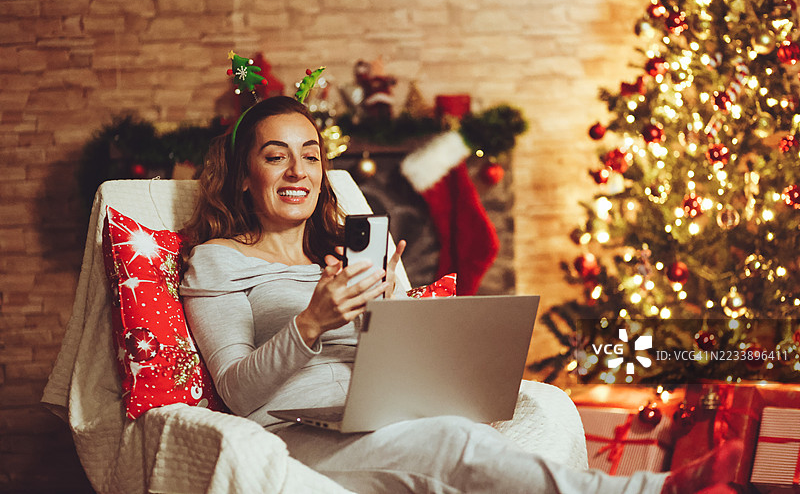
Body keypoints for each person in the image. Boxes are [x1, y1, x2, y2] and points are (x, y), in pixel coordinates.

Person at [180, 95, 743, 494]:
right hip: (294, 431)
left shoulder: (351, 253)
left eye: (310, 155)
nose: (297, 171)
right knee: (454, 442)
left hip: (381, 410)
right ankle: (653, 491)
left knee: (532, 410)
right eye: (275, 155)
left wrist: (390, 311)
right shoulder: (217, 260)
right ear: (245, 175)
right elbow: (237, 392)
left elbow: (400, 361)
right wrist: (311, 322)